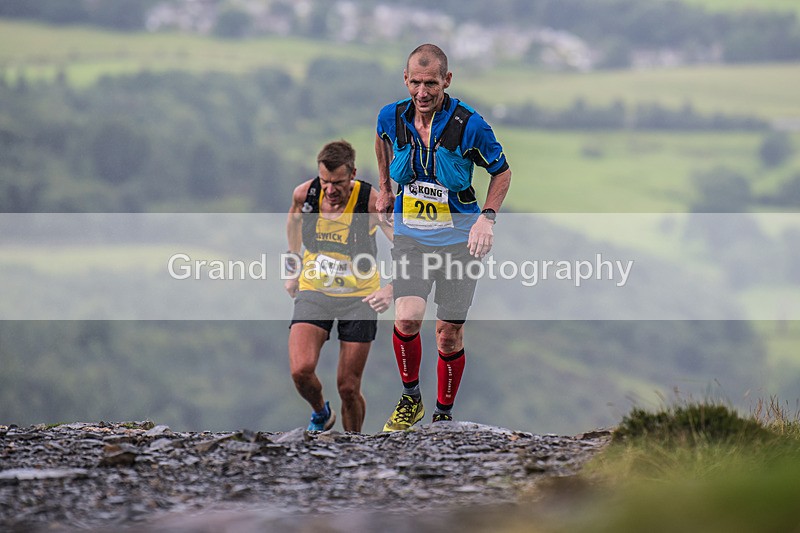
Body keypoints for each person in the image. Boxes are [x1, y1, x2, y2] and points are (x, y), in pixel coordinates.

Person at [374, 44, 511, 431]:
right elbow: (381, 139)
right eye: (415, 83)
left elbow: (502, 172)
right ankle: (410, 398)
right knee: (407, 318)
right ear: (406, 79)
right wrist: (385, 186)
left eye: (431, 83)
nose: (422, 92)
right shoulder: (392, 116)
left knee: (448, 334)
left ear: (446, 81)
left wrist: (487, 218)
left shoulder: (471, 125)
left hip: (459, 241)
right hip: (411, 237)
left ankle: (443, 415)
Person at [285, 140, 393, 433]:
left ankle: (354, 448)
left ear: (353, 175)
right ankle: (320, 412)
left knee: (348, 386)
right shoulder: (304, 194)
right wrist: (293, 267)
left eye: (338, 183)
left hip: (360, 298)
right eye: (325, 182)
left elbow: (409, 246)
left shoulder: (372, 202)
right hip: (315, 291)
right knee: (301, 371)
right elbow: (294, 222)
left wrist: (391, 289)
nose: (330, 190)